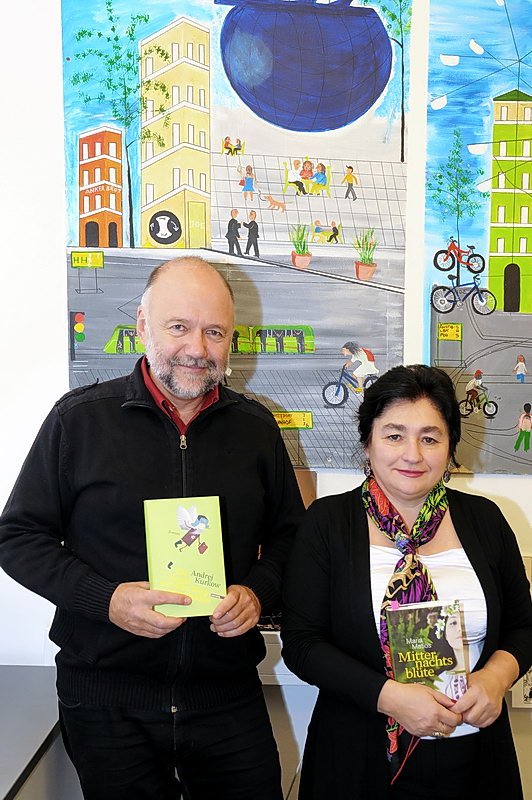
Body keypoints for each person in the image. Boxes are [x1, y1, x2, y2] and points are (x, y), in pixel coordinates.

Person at [0, 257, 305, 800]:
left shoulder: (256, 429)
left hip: (225, 696)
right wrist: (106, 599)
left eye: (215, 332)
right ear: (142, 325)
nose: (197, 348)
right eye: (179, 326)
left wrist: (258, 592)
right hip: (106, 701)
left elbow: (291, 538)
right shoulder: (79, 420)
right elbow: (18, 537)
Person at [282, 364, 532, 800]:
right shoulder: (327, 522)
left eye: (430, 438)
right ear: (368, 442)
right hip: (359, 755)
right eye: (395, 435)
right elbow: (303, 644)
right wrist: (391, 697)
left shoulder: (486, 520)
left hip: (474, 750)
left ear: (451, 446)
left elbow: (523, 627)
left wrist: (496, 677)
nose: (413, 454)